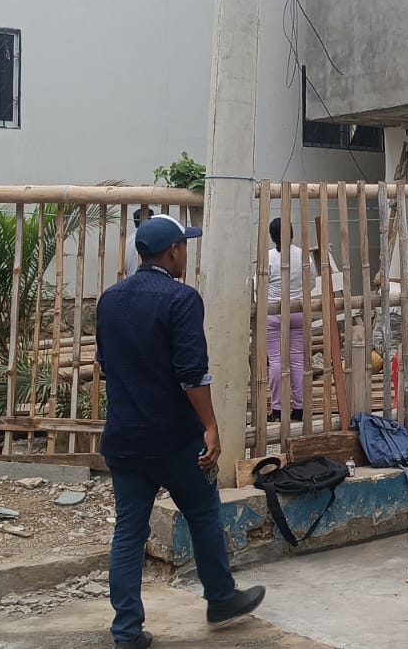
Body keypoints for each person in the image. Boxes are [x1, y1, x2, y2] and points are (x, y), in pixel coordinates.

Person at [95, 213, 265, 648]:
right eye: (184, 246)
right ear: (173, 251)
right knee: (203, 513)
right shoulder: (182, 298)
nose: (186, 253)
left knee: (128, 533)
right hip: (174, 440)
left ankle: (126, 631)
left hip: (125, 438)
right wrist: (210, 426)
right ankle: (220, 599)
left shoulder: (110, 300)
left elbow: (106, 363)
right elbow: (192, 373)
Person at [264, 218, 306, 423]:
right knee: (297, 360)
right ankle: (299, 409)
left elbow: (260, 284)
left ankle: (278, 409)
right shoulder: (303, 255)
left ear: (272, 237)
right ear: (292, 232)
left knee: (276, 361)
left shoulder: (268, 257)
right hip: (298, 311)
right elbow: (311, 281)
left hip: (273, 312)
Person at [121, 207, 151, 278]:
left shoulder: (127, 242)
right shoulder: (150, 240)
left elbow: (124, 269)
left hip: (130, 280)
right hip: (146, 281)